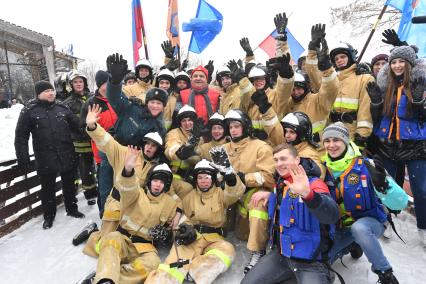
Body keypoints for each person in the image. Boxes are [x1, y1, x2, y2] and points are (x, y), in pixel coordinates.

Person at [242, 143, 339, 284]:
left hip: (310, 262)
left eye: (283, 159)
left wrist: (308, 195)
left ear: (297, 160)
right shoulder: (282, 184)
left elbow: (332, 215)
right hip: (282, 254)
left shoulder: (313, 184)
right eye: (276, 160)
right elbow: (288, 204)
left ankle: (326, 275)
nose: (279, 164)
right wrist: (271, 196)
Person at [322, 122, 400, 284]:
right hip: (340, 227)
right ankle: (353, 245)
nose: (331, 145)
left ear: (345, 140)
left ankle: (386, 274)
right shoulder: (321, 168)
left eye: (336, 140)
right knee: (320, 259)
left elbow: (400, 203)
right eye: (327, 141)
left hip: (370, 223)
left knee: (360, 229)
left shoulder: (367, 165)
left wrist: (384, 187)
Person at [146, 159, 245, 283]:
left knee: (226, 251)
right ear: (196, 180)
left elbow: (235, 193)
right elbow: (180, 217)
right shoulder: (189, 198)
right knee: (172, 267)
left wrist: (230, 176)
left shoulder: (221, 194)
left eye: (207, 177)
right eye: (200, 177)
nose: (203, 181)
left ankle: (193, 272)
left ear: (213, 179)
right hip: (191, 238)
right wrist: (184, 229)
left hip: (215, 239)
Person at [367, 45, 426, 246]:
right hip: (387, 144)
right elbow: (377, 117)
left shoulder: (420, 83)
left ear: (410, 64)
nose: (397, 65)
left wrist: (419, 101)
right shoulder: (385, 86)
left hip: (415, 144)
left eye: (401, 61)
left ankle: (424, 228)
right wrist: (375, 103)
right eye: (394, 62)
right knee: (388, 186)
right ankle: (388, 220)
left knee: (421, 189)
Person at [14, 81, 84, 229]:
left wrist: (90, 131)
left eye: (52, 90)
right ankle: (49, 216)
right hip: (45, 157)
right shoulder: (29, 111)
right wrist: (23, 158)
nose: (51, 93)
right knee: (47, 189)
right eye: (46, 91)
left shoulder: (62, 107)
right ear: (38, 94)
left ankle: (72, 209)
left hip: (66, 153)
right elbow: (21, 136)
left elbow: (78, 126)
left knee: (70, 185)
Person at [221, 109, 275, 273]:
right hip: (229, 194)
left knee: (258, 207)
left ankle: (258, 250)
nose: (233, 130)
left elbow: (269, 177)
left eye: (237, 126)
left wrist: (244, 178)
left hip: (251, 193)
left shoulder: (261, 147)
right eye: (231, 127)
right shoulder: (223, 148)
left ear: (245, 127)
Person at [106, 53, 167, 146]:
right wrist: (115, 82)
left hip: (137, 157)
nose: (155, 105)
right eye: (152, 102)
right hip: (117, 149)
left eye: (159, 103)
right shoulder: (131, 107)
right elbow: (115, 98)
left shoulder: (159, 127)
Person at [80, 70, 118, 215]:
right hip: (102, 154)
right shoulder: (91, 103)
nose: (107, 87)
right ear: (99, 85)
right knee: (105, 188)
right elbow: (82, 129)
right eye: (104, 84)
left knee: (120, 186)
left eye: (109, 83)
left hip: (120, 150)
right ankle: (104, 216)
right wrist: (98, 129)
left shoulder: (117, 99)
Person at [326, 42, 375, 150]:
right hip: (332, 133)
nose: (339, 60)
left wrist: (362, 135)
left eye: (343, 56)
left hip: (352, 133)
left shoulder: (364, 78)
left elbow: (365, 110)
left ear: (351, 57)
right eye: (336, 58)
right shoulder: (332, 80)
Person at [63, 70, 98, 205]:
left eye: (81, 81)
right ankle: (90, 194)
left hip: (96, 139)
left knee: (99, 166)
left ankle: (99, 188)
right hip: (80, 141)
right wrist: (81, 132)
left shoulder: (92, 97)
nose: (79, 84)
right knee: (86, 168)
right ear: (71, 85)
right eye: (76, 82)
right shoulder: (68, 103)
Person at [165, 105, 203, 199]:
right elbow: (171, 148)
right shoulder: (174, 133)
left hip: (190, 176)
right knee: (189, 190)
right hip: (174, 176)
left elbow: (201, 156)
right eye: (184, 121)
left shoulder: (199, 138)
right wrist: (182, 151)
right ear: (180, 123)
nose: (187, 123)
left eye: (190, 120)